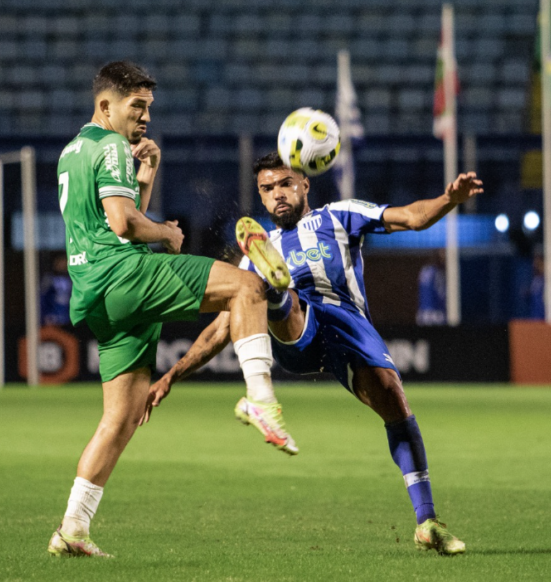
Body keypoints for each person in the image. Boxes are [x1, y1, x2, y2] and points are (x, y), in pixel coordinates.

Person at [144, 151, 483, 555]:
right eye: (266, 189)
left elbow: (411, 217)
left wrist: (450, 199)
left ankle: (427, 522)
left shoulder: (340, 215)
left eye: (285, 184)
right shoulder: (263, 247)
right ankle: (273, 297)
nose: (277, 195)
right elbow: (221, 328)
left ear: (305, 184)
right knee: (271, 290)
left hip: (349, 329)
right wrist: (171, 376)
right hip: (297, 333)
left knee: (396, 403)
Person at [47, 61, 297, 558]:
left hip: (95, 292)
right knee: (248, 286)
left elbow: (112, 213)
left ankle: (72, 528)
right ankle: (259, 398)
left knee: (121, 416)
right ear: (105, 106)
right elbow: (125, 225)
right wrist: (168, 233)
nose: (143, 117)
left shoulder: (73, 151)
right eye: (135, 107)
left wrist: (149, 172)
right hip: (123, 274)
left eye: (148, 108)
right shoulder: (111, 144)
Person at [416, 250, 446, 326]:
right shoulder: (430, 271)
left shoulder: (427, 270)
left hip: (429, 315)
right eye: (443, 252)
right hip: (433, 316)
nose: (445, 255)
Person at [40, 254, 72, 326]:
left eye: (65, 263)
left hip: (68, 317)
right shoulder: (49, 279)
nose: (63, 266)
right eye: (60, 263)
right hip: (52, 318)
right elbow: (43, 298)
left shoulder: (71, 279)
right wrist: (45, 315)